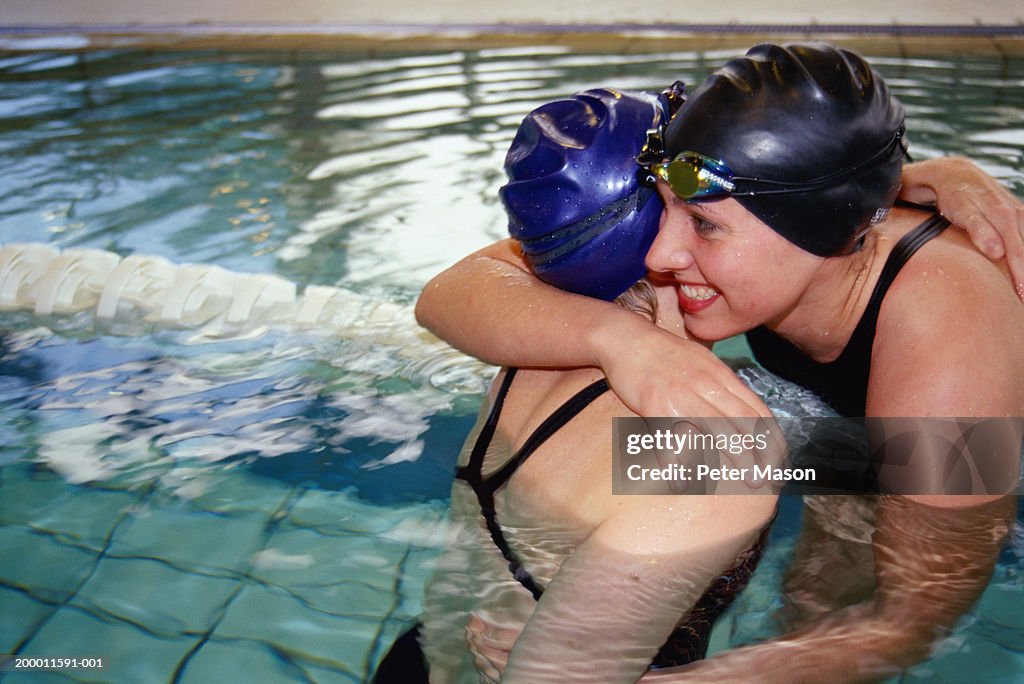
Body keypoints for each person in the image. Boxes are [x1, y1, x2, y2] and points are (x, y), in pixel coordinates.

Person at [414, 43, 1024, 681]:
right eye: (663, 206)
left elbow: (912, 622)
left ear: (821, 228)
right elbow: (451, 294)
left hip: (969, 458)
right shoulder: (773, 215)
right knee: (809, 593)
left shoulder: (951, 334)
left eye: (704, 226)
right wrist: (623, 342)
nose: (662, 252)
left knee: (827, 597)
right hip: (845, 426)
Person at [375, 86, 791, 684]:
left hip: (432, 656)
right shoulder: (706, 458)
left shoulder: (529, 331)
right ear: (665, 222)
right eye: (703, 212)